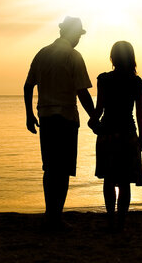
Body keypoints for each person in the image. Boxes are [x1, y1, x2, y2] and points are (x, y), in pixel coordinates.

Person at [24, 16, 95, 230]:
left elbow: (28, 87)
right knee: (63, 170)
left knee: (50, 169)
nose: (79, 40)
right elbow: (82, 91)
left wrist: (29, 115)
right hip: (65, 119)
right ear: (72, 34)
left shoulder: (42, 54)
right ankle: (57, 217)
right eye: (78, 36)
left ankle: (50, 215)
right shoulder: (73, 56)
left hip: (45, 118)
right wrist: (94, 117)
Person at [89, 41, 142, 231]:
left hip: (108, 132)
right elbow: (139, 113)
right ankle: (121, 221)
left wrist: (92, 122)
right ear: (131, 57)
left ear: (112, 57)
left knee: (109, 179)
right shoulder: (136, 81)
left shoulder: (104, 79)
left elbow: (100, 108)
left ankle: (111, 218)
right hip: (128, 133)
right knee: (125, 181)